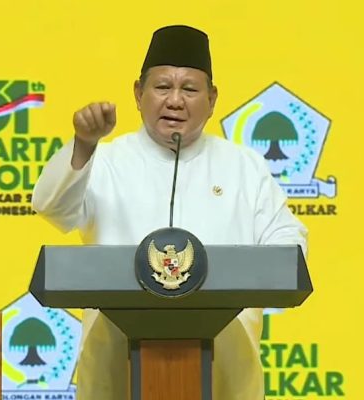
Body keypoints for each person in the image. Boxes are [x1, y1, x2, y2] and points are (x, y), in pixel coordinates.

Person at [32, 24, 308, 400]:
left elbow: (288, 244)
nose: (175, 101)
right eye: (162, 87)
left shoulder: (244, 166)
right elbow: (51, 207)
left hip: (225, 369)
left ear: (212, 99)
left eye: (189, 90)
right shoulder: (107, 160)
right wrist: (83, 144)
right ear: (138, 93)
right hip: (115, 368)